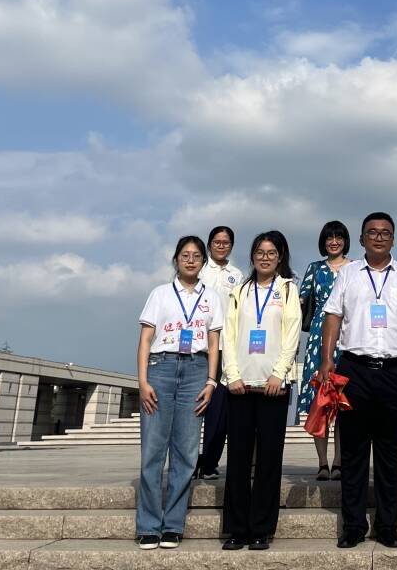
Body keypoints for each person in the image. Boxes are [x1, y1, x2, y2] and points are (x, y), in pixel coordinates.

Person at [319, 212, 397, 549]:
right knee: (353, 452)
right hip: (355, 370)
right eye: (372, 232)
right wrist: (326, 359)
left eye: (385, 233)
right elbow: (333, 316)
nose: (379, 237)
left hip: (395, 371)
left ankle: (387, 525)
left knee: (389, 453)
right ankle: (353, 525)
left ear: (393, 239)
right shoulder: (348, 273)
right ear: (362, 238)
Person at [135, 236, 222, 550]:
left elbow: (214, 343)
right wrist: (143, 381)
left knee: (186, 451)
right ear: (176, 259)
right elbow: (146, 340)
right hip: (161, 367)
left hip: (196, 370)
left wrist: (211, 382)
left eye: (197, 256)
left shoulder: (211, 297)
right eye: (185, 255)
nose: (191, 260)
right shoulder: (160, 294)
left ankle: (172, 524)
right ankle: (148, 525)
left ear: (203, 262)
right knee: (153, 450)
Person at [220, 232, 301, 551]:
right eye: (260, 252)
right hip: (240, 385)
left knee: (269, 459)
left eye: (271, 252)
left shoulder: (288, 289)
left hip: (273, 386)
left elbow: (291, 334)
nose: (265, 257)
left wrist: (279, 374)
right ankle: (236, 528)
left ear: (280, 257)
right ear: (252, 256)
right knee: (238, 459)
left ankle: (261, 529)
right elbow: (228, 335)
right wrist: (232, 374)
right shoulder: (240, 289)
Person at [297, 220, 351, 480]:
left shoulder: (354, 268)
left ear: (345, 241)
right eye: (330, 237)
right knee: (319, 402)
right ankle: (322, 463)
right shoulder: (314, 268)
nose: (334, 241)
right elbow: (300, 300)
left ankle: (339, 462)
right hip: (319, 336)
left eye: (338, 237)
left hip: (347, 334)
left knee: (342, 402)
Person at [195, 225, 243, 480]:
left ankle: (210, 462)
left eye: (226, 242)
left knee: (219, 411)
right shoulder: (199, 269)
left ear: (231, 246)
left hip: (224, 347)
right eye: (217, 241)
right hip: (198, 347)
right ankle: (189, 460)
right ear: (209, 244)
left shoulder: (237, 274)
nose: (221, 246)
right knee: (194, 407)